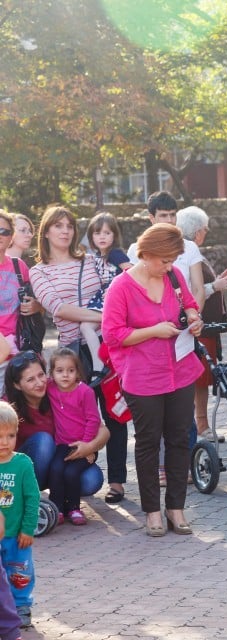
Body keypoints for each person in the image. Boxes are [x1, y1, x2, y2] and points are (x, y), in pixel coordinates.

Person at [101, 223, 204, 537]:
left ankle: (176, 508)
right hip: (143, 376)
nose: (169, 266)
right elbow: (112, 334)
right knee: (148, 443)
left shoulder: (173, 276)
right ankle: (152, 512)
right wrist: (153, 331)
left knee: (178, 439)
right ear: (145, 254)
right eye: (164, 260)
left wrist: (194, 319)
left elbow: (190, 304)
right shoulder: (121, 287)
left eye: (173, 259)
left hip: (181, 370)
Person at [29, 206, 128, 504]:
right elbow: (59, 308)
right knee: (76, 415)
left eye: (70, 226)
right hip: (71, 353)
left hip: (106, 345)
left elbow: (117, 287)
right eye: (58, 226)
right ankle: (76, 471)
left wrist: (107, 319)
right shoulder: (39, 271)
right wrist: (105, 316)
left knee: (114, 413)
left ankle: (117, 481)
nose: (65, 231)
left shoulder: (91, 260)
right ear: (45, 232)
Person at [5, 351, 108, 499]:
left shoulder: (56, 390)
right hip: (20, 469)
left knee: (92, 480)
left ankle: (60, 499)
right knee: (44, 440)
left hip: (58, 463)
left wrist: (89, 447)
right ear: (17, 385)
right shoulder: (8, 407)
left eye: (41, 375)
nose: (40, 383)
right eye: (30, 380)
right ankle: (27, 497)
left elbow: (104, 431)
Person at [176, 206, 227, 442]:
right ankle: (198, 425)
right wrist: (215, 287)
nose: (206, 233)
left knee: (202, 376)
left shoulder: (191, 250)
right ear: (199, 231)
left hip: (205, 323)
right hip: (196, 323)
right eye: (205, 229)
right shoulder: (186, 252)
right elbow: (190, 291)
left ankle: (200, 424)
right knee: (197, 377)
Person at [44, 348, 100, 525]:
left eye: (70, 370)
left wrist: (87, 445)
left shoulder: (85, 392)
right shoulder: (50, 388)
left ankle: (74, 508)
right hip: (62, 444)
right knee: (56, 469)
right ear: (52, 373)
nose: (65, 375)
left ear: (78, 371)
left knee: (71, 472)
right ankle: (57, 508)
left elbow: (94, 419)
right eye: (59, 371)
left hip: (85, 444)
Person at [128, 192, 205, 308]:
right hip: (149, 318)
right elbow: (131, 290)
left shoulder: (190, 247)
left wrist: (194, 318)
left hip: (184, 317)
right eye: (163, 215)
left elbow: (198, 290)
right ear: (152, 218)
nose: (170, 220)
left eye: (173, 215)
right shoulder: (137, 249)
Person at [0, 401, 39, 630]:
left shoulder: (22, 464)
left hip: (17, 535)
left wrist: (28, 528)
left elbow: (33, 498)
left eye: (11, 435)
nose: (5, 442)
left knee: (20, 571)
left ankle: (22, 606)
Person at [82, 212, 132, 377]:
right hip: (102, 298)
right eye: (97, 233)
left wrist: (115, 289)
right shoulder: (97, 256)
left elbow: (132, 271)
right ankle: (103, 363)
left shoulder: (114, 253)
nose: (102, 237)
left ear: (114, 235)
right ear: (91, 236)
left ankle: (99, 365)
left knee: (87, 326)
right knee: (90, 328)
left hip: (112, 298)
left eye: (107, 233)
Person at [0, 212, 42, 388]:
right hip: (1, 352)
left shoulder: (19, 266)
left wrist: (35, 305)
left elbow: (40, 301)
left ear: (11, 237)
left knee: (22, 411)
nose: (0, 235)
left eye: (5, 231)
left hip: (21, 352)